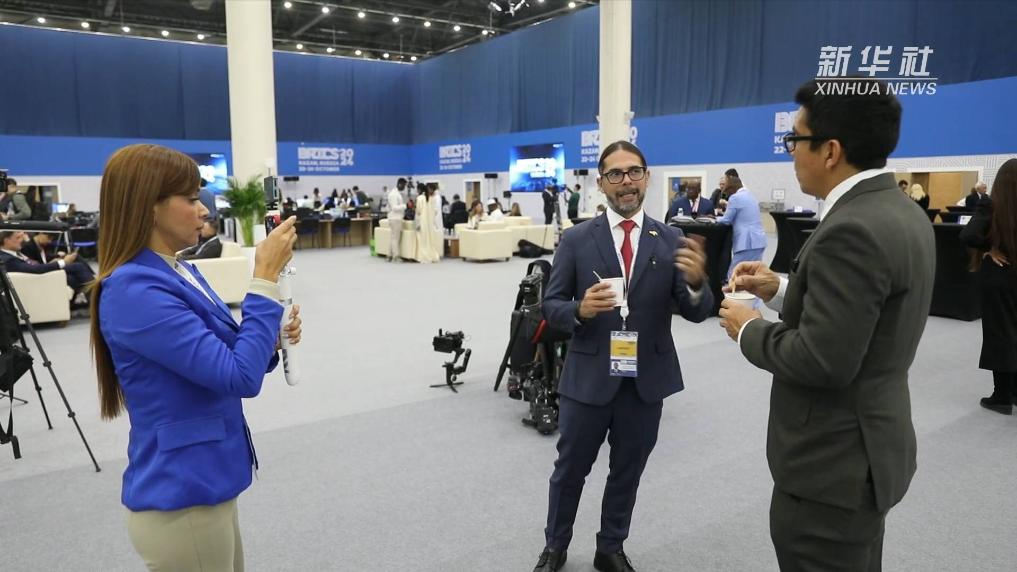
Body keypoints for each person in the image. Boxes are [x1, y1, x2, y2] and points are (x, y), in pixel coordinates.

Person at [719, 79, 935, 571]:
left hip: (830, 469)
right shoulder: (901, 211)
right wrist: (779, 288)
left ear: (831, 150)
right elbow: (864, 313)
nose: (791, 152)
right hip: (869, 450)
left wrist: (749, 327)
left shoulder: (851, 228)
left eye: (795, 139)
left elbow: (822, 359)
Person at [89, 144, 302, 571]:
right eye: (190, 198)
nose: (204, 209)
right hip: (184, 491)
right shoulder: (134, 290)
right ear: (149, 206)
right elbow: (239, 377)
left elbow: (220, 358)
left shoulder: (176, 269)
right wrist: (263, 279)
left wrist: (268, 340)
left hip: (209, 476)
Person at [533, 140, 711, 572]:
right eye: (615, 174)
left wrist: (696, 283)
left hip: (645, 381)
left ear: (646, 177)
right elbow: (549, 306)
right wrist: (579, 309)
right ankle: (555, 546)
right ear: (601, 183)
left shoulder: (670, 239)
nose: (626, 181)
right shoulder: (576, 239)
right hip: (589, 377)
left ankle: (610, 547)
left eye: (634, 172)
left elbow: (696, 311)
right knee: (570, 470)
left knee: (627, 471)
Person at [960, 158, 1017, 414]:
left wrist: (990, 248)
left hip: (999, 277)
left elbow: (968, 234)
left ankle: (1002, 395)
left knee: (999, 333)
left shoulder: (991, 205)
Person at [0, 230, 95, 304]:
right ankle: (95, 297)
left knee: (73, 277)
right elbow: (35, 269)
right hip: (38, 280)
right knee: (77, 267)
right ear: (6, 240)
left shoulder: (14, 254)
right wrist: (63, 262)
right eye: (18, 238)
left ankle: (92, 298)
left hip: (40, 277)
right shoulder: (8, 259)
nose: (22, 240)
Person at [716, 176, 767, 278]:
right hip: (758, 241)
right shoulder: (751, 195)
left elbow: (726, 220)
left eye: (727, 192)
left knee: (734, 275)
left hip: (746, 242)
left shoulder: (735, 198)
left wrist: (714, 218)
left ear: (731, 189)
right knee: (752, 275)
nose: (727, 195)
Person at [415, 185, 439, 263]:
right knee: (430, 240)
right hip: (430, 222)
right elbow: (435, 211)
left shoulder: (420, 198)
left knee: (423, 240)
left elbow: (418, 211)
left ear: (419, 190)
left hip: (422, 221)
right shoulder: (431, 198)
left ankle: (423, 256)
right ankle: (432, 255)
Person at [387, 178, 408, 262]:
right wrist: (406, 206)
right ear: (400, 184)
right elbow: (394, 207)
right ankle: (396, 256)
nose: (404, 187)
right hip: (395, 218)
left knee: (393, 237)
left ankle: (389, 255)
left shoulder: (396, 193)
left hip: (395, 218)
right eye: (404, 185)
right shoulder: (393, 194)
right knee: (396, 238)